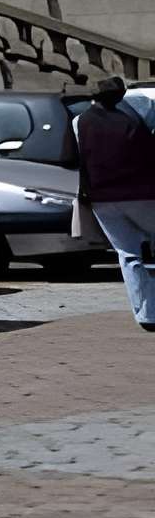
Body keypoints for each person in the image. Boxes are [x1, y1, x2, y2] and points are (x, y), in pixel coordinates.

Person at [73, 76, 155, 332]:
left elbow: (77, 158)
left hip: (102, 198)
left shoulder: (80, 121)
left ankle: (147, 315)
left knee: (128, 254)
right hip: (142, 194)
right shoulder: (139, 111)